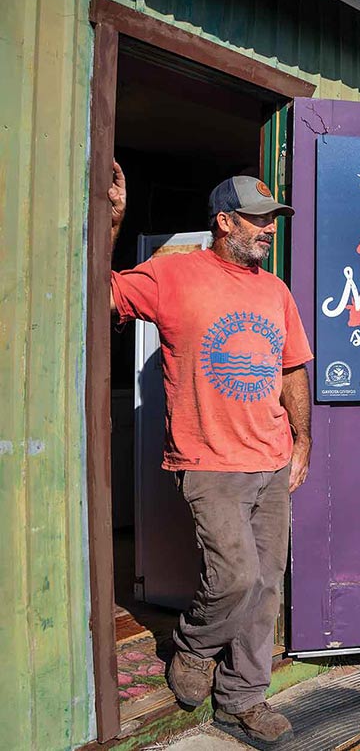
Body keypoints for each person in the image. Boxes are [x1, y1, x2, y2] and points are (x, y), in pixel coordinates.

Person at [108, 162, 312, 743]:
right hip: (209, 462)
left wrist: (303, 440)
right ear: (224, 221)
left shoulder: (275, 291)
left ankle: (243, 697)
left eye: (273, 222)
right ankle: (194, 645)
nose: (269, 231)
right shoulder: (175, 275)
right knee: (235, 575)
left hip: (271, 459)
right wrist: (116, 219)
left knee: (267, 582)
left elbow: (292, 368)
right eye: (259, 220)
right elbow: (103, 291)